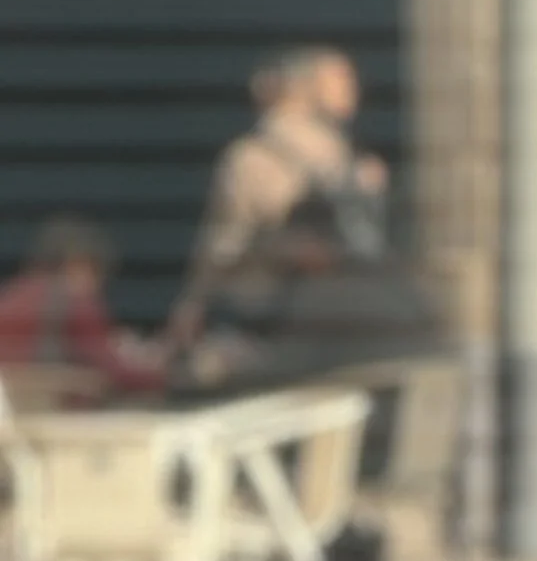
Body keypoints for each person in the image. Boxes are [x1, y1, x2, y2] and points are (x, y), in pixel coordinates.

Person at [164, 46, 386, 362]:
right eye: (340, 77)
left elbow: (220, 246)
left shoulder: (251, 156)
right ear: (303, 85)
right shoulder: (350, 162)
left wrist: (192, 305)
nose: (353, 87)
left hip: (284, 318)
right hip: (326, 317)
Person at [188, 189, 449, 402]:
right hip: (405, 422)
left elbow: (283, 376)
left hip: (361, 432)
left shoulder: (327, 294)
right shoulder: (395, 281)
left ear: (309, 241)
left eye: (289, 239)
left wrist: (230, 366)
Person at [0, 216, 160, 400]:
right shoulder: (75, 302)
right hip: (52, 406)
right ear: (77, 262)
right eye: (97, 271)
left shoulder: (12, 294)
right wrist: (158, 368)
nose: (99, 285)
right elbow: (119, 373)